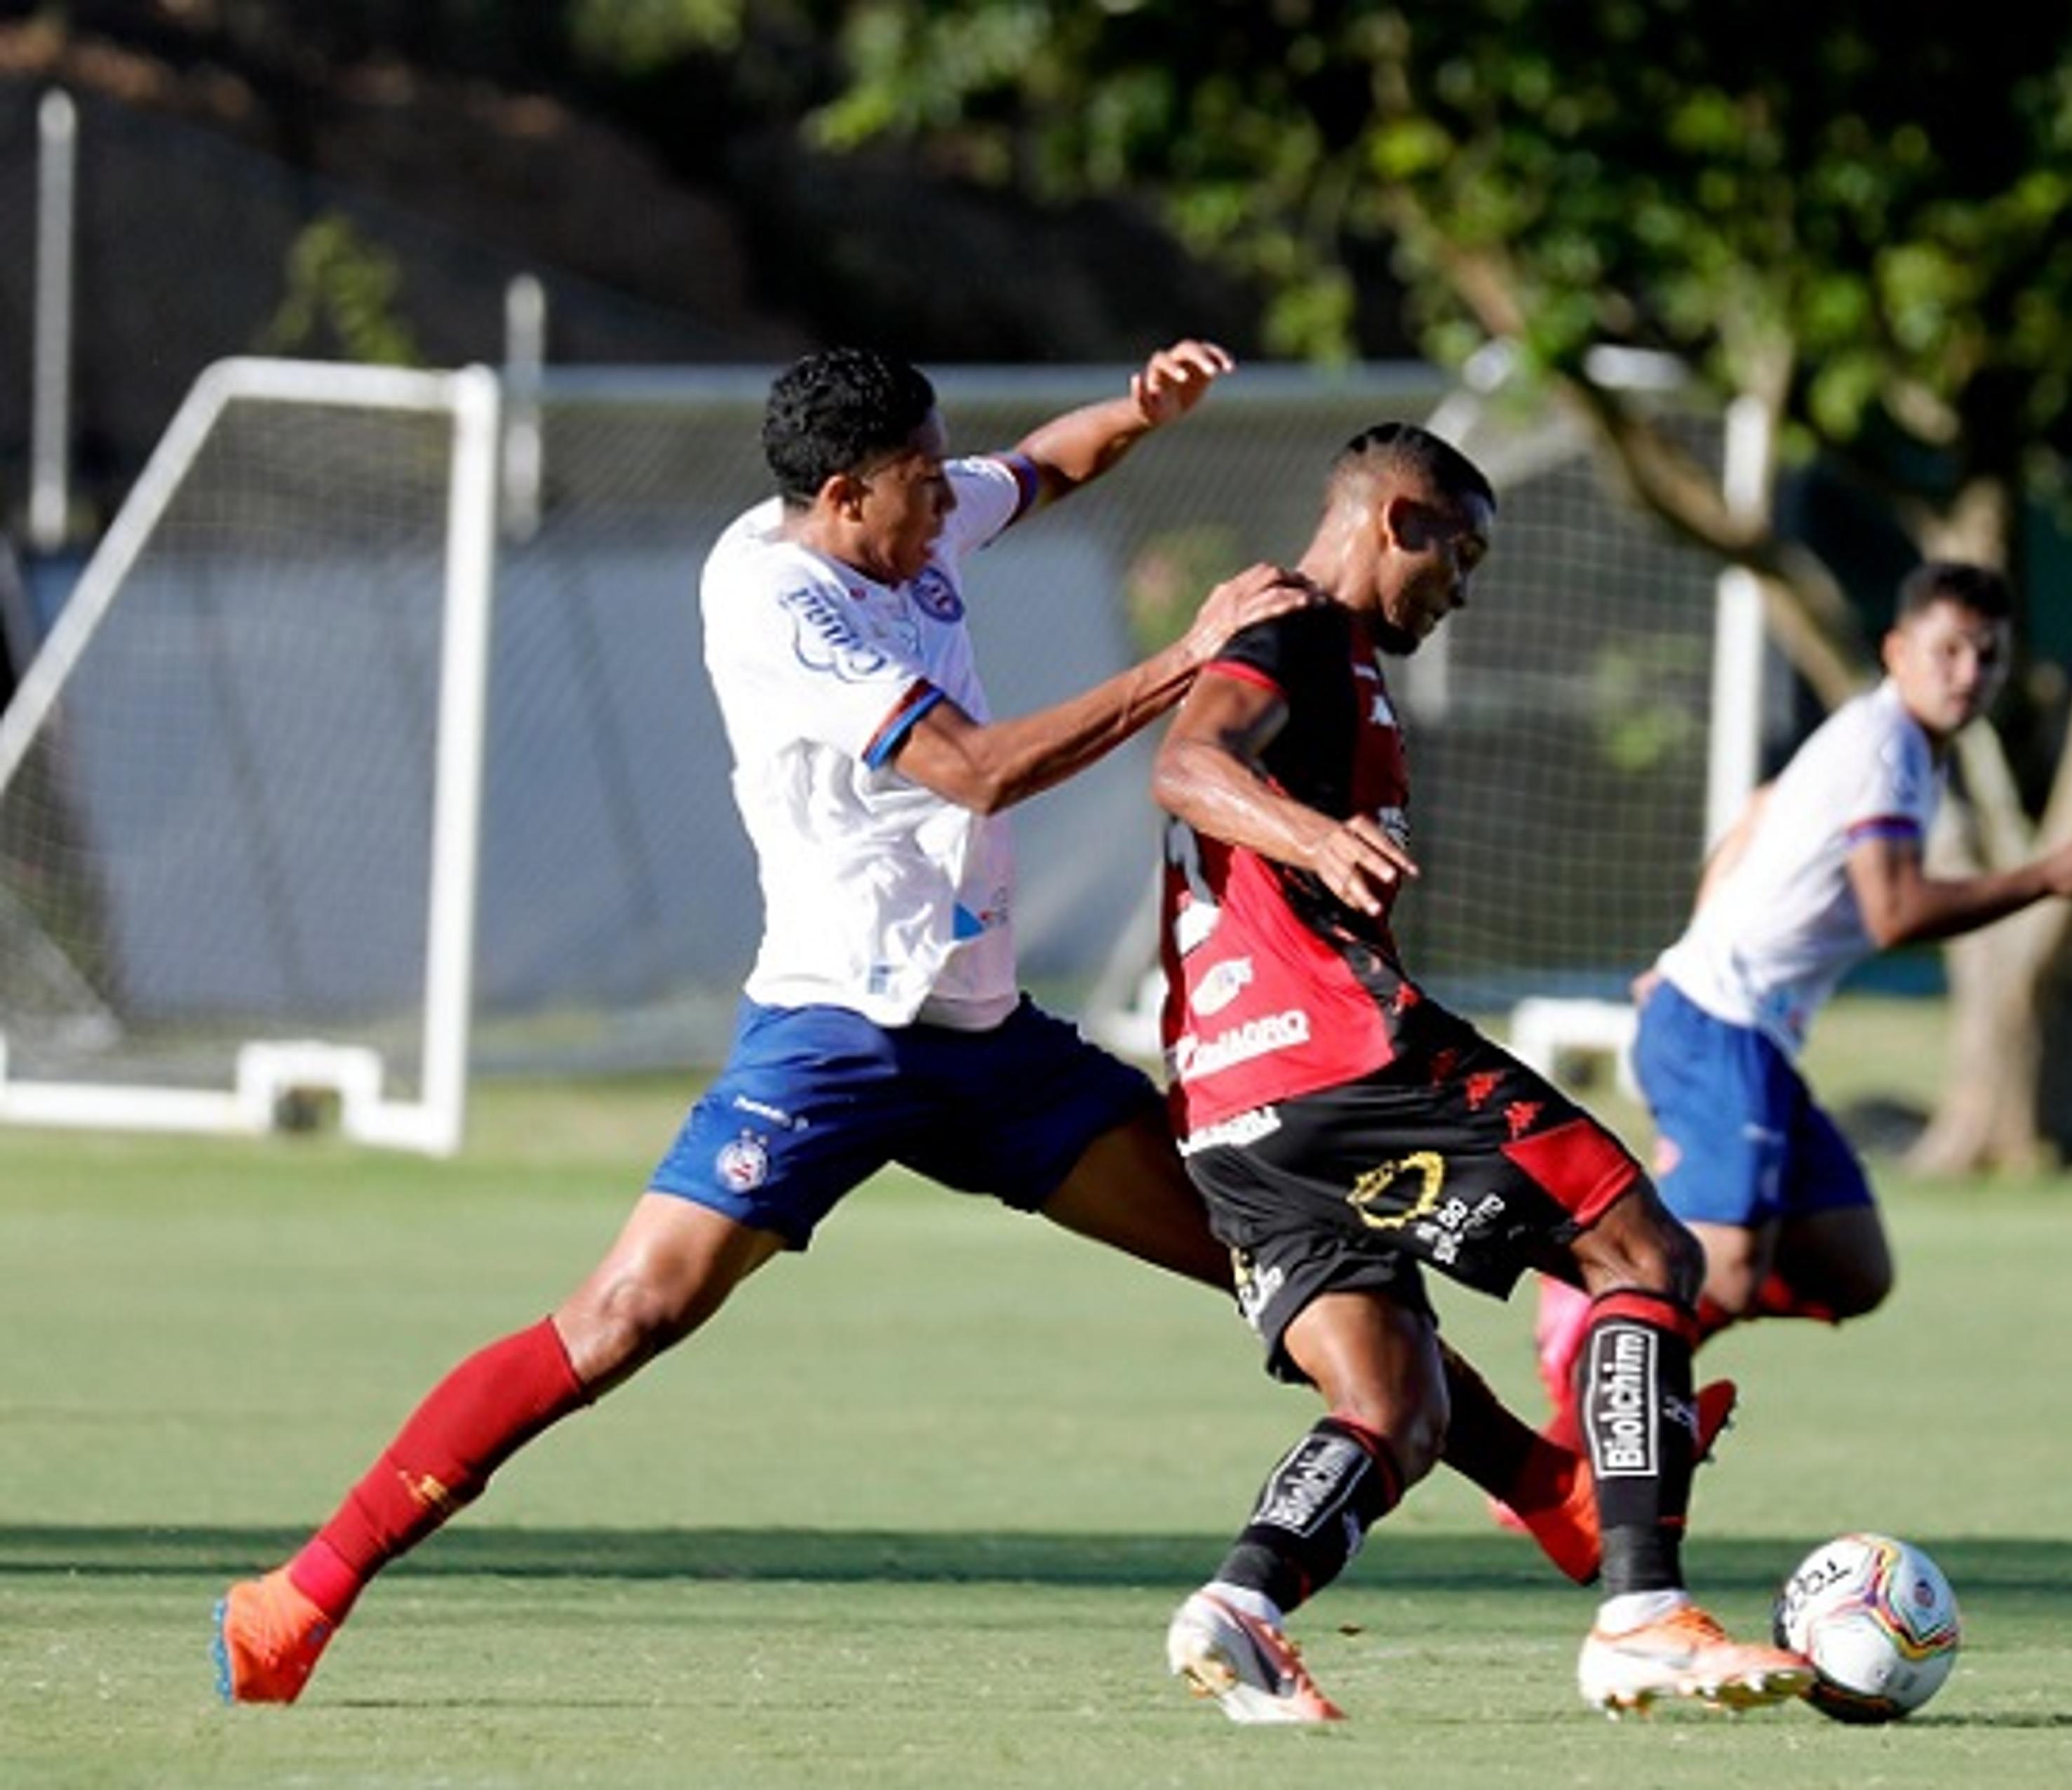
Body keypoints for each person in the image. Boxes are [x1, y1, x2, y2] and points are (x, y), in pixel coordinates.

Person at [212, 345, 1597, 1707]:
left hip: (991, 1043)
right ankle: (302, 1595)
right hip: (837, 1039)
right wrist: (1191, 655)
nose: (953, 500)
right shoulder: (779, 599)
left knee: (1275, 1244)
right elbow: (979, 774)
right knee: (629, 1312)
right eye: (924, 482)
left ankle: (1546, 1489)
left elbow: (1044, 467)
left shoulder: (908, 523)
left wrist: (1137, 408)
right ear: (844, 495)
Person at [1150, 422, 1805, 1724]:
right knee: (1647, 1260)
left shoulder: (1337, 663)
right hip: (1340, 1054)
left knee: (1397, 1407)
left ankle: (1242, 1603)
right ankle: (1641, 1613)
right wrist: (1313, 836)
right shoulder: (1292, 630)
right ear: (1396, 522)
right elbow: (1186, 760)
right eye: (1460, 550)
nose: (1466, 584)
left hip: (1228, 1112)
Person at [1526, 563, 2072, 1431]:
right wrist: (2044, 876)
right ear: (1897, 650)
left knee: (1852, 1270)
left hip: (1744, 1031)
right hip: (1716, 1026)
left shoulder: (1885, 743)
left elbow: (1764, 810)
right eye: (1947, 650)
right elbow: (1896, 912)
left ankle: (1627, 1297)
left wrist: (1692, 940)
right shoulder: (1886, 747)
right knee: (1725, 1272)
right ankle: (1584, 1413)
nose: (1967, 673)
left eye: (1987, 656)